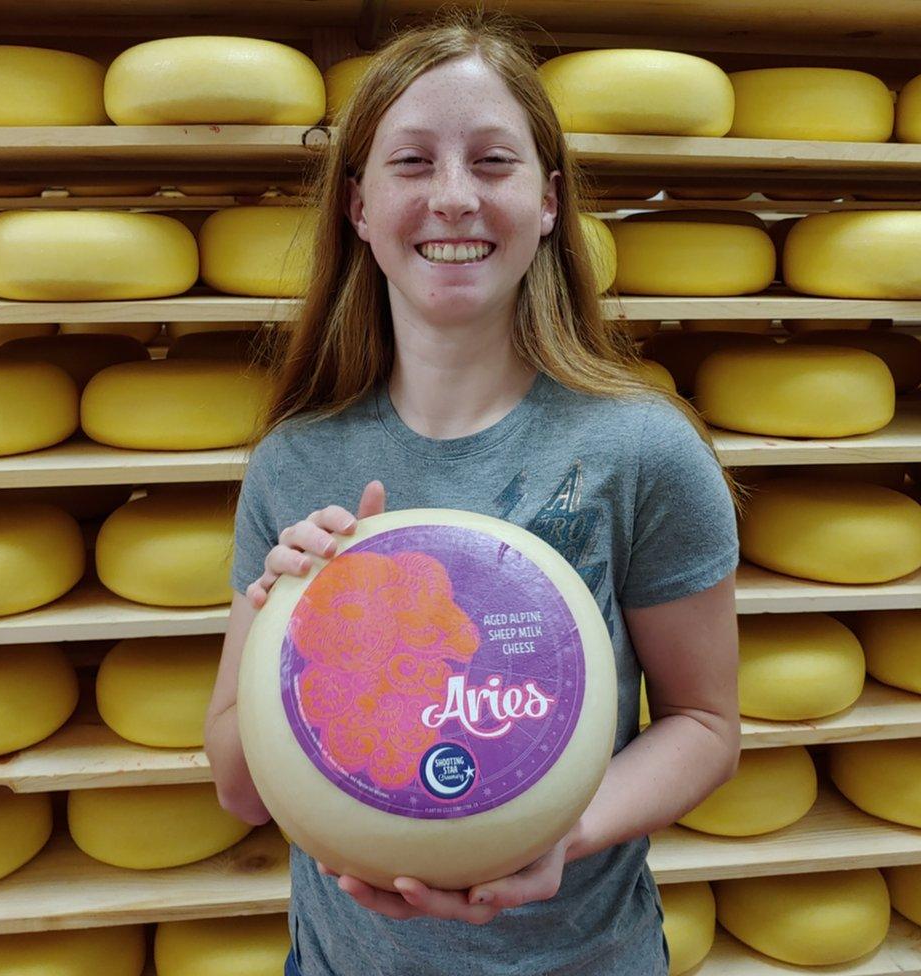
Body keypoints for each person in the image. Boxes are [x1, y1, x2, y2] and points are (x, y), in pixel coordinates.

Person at [204, 11, 741, 976]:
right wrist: (273, 611)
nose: (454, 198)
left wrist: (564, 830)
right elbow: (244, 792)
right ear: (359, 207)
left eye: (493, 162)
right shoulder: (295, 462)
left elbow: (704, 727)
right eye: (412, 163)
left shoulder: (641, 449)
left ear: (547, 202)